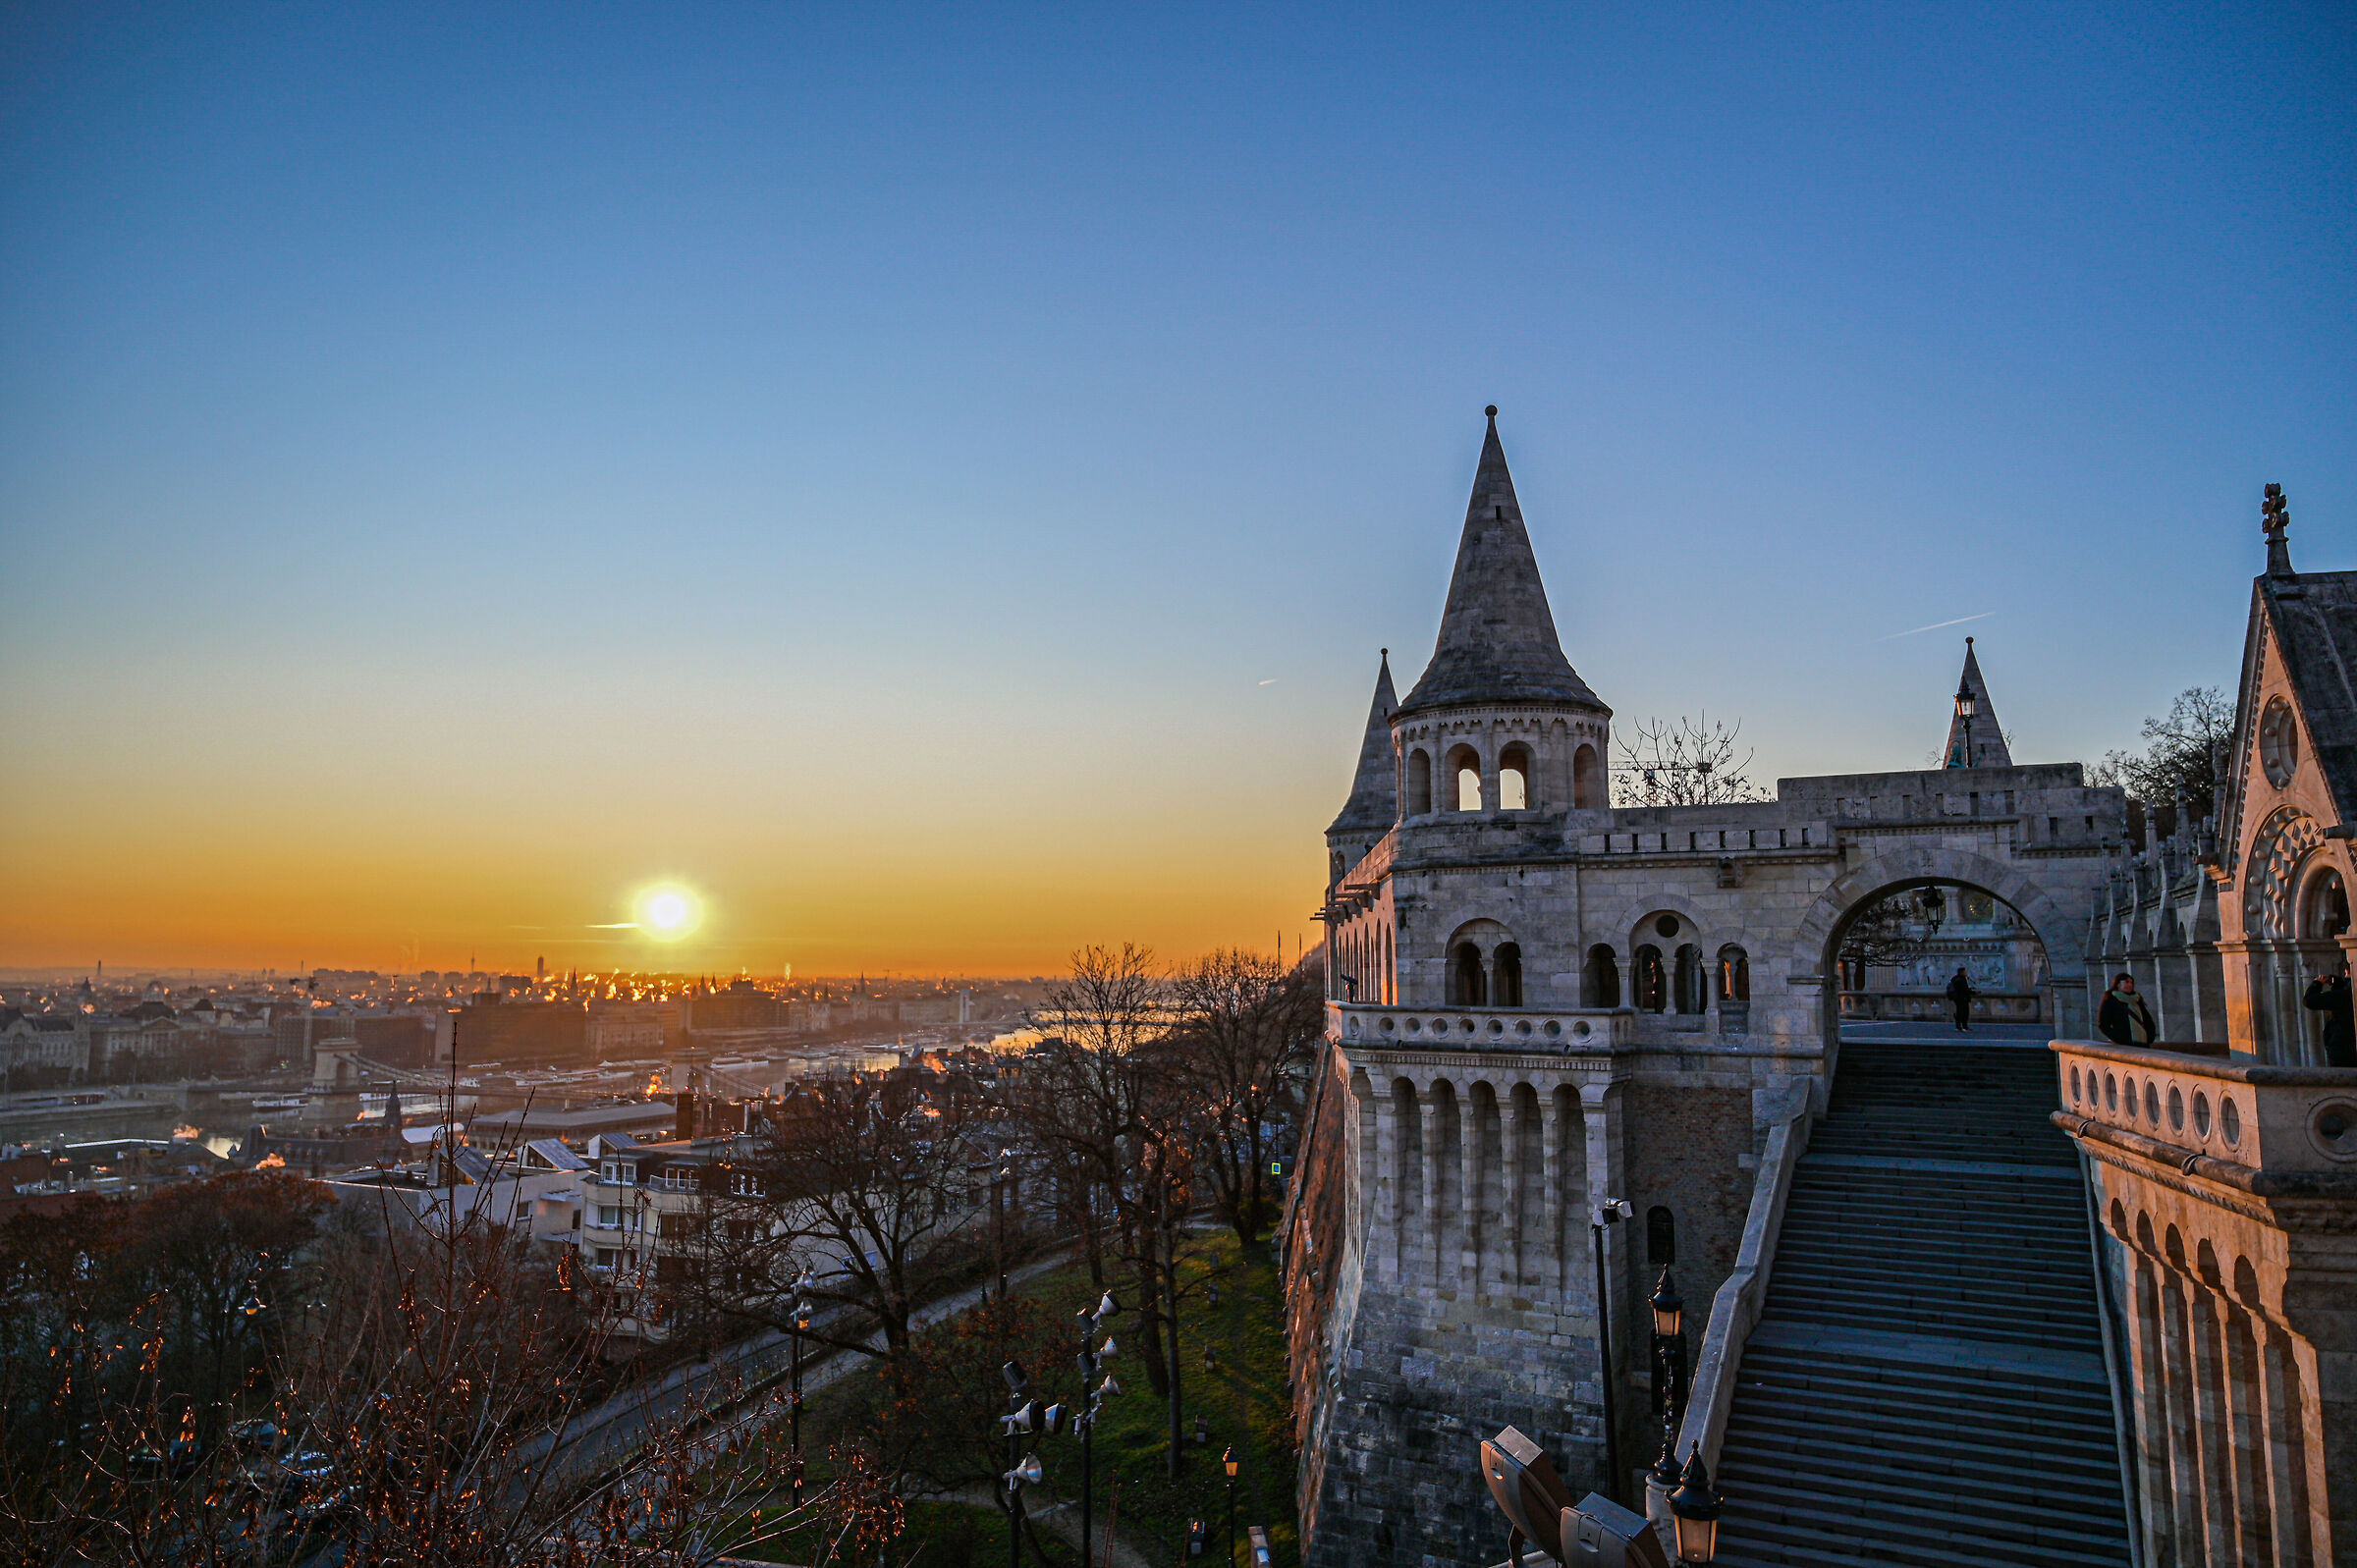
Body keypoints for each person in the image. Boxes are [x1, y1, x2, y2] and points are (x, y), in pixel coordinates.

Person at [2302, 965, 2356, 1067]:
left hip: (2343, 1046)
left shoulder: (2345, 995)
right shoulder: (2346, 993)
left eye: (2346, 974)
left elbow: (2309, 1001)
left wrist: (2316, 984)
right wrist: (2339, 983)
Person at [2098, 973, 2157, 1047]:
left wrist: (2150, 1037)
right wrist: (2119, 1038)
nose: (2130, 985)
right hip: (2124, 1045)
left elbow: (2148, 1020)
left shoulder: (2137, 999)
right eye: (2126, 982)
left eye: (2131, 982)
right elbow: (2103, 1024)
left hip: (2142, 1043)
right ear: (2118, 984)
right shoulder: (2111, 1000)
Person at [1946, 967, 1975, 1033]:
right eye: (1965, 972)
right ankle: (1964, 1027)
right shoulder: (1961, 980)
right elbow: (1964, 990)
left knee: (1959, 1012)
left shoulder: (1955, 978)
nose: (1966, 973)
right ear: (1962, 972)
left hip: (1957, 999)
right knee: (1964, 1013)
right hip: (1962, 999)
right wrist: (1973, 992)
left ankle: (1959, 1027)